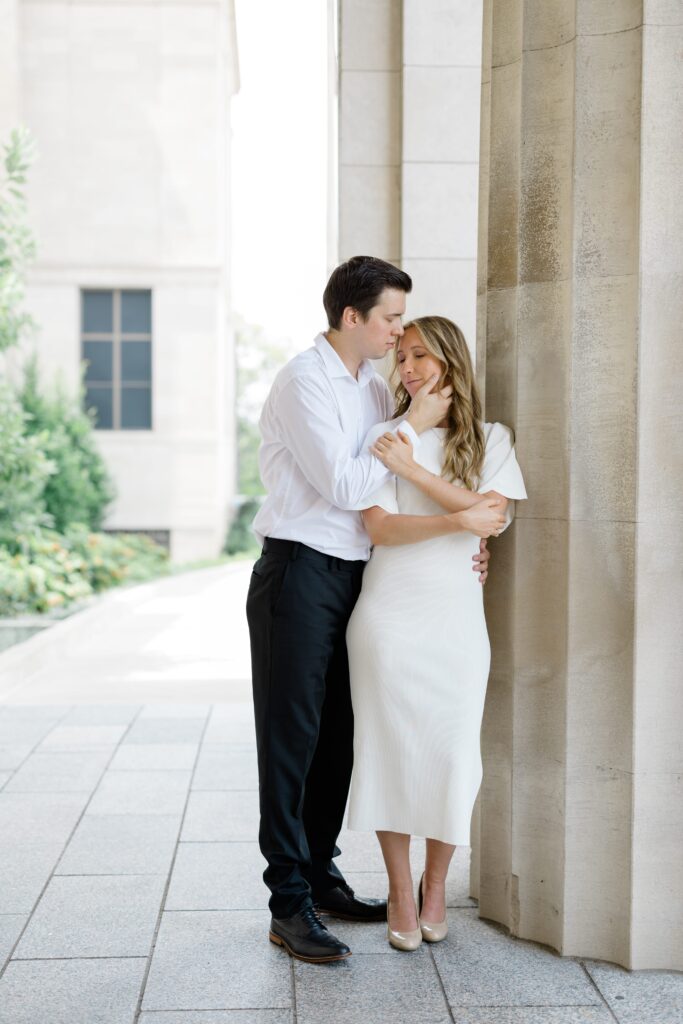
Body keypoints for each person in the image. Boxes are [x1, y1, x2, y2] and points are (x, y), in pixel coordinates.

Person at [246, 258, 495, 964]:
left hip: (356, 579)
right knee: (290, 743)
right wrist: (414, 424)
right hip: (296, 573)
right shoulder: (304, 381)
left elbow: (417, 490)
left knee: (336, 741)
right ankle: (287, 904)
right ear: (351, 318)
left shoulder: (365, 389)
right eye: (389, 318)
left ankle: (321, 877)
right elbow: (350, 484)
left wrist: (470, 547)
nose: (396, 332)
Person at [346, 314, 527, 951]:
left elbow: (493, 518)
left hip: (454, 621)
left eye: (422, 355)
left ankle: (435, 886)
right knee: (389, 752)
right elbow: (380, 529)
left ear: (451, 361)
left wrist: (420, 477)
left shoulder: (491, 440)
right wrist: (461, 519)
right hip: (389, 616)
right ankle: (399, 888)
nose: (409, 367)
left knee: (453, 755)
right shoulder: (383, 436)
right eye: (402, 357)